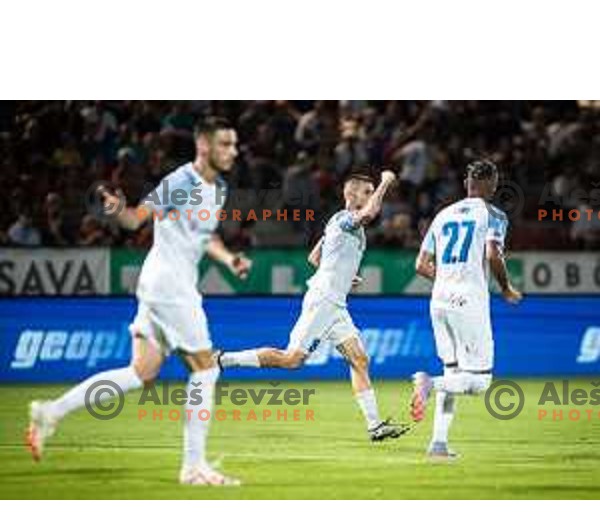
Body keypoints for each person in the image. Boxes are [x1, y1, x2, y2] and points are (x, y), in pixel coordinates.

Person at [26, 117, 251, 486]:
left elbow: (202, 237)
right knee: (206, 369)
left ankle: (51, 411)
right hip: (170, 286)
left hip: (163, 286)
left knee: (140, 373)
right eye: (225, 144)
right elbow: (135, 220)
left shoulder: (219, 188)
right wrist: (119, 211)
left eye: (234, 144)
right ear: (204, 146)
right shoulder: (181, 182)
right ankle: (193, 468)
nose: (233, 151)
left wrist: (229, 259)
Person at [218, 171, 410, 442]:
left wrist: (343, 275)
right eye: (366, 192)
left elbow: (314, 257)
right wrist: (386, 183)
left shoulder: (336, 222)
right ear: (351, 195)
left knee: (359, 359)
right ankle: (223, 360)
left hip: (336, 303)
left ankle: (375, 426)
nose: (370, 196)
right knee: (291, 360)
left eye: (371, 192)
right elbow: (368, 214)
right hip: (323, 300)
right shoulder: (346, 219)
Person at [412, 159, 522, 459]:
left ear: (466, 184)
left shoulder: (442, 215)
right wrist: (506, 288)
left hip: (439, 301)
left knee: (454, 373)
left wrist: (447, 278)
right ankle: (428, 383)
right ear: (493, 185)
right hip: (469, 301)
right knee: (480, 382)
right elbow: (493, 254)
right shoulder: (493, 214)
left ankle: (438, 444)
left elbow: (420, 265)